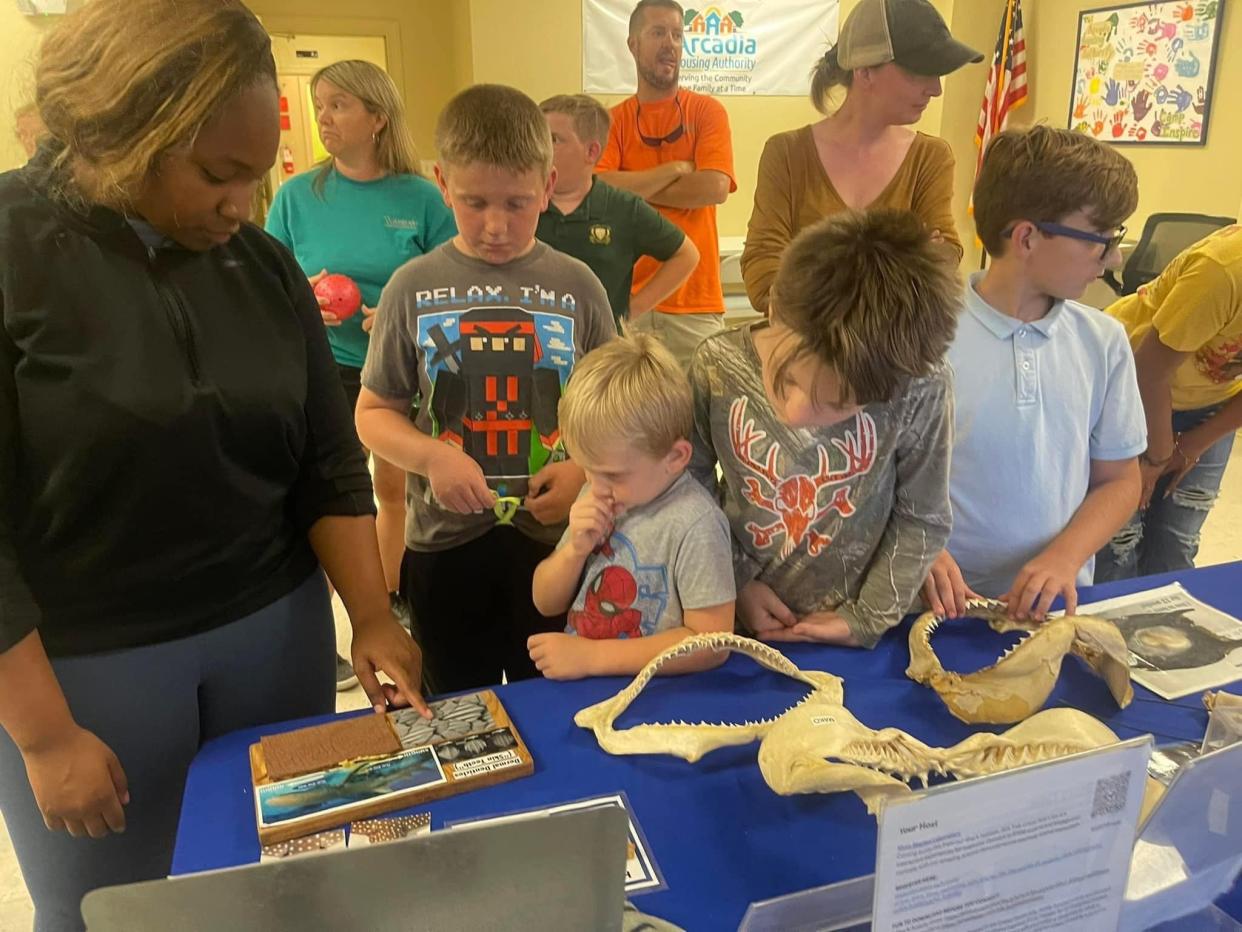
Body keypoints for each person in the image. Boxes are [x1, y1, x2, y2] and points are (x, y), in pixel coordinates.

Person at [0, 3, 427, 930]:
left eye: (256, 175)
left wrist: (371, 615)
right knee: (115, 910)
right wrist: (41, 736)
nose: (243, 205)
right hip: (89, 667)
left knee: (282, 890)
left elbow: (326, 462)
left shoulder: (262, 268)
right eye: (217, 176)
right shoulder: (13, 251)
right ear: (123, 132)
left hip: (271, 634)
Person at [357, 84, 617, 694]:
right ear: (442, 183)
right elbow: (372, 413)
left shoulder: (577, 285)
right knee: (457, 704)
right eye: (474, 202)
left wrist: (581, 468)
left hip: (557, 547)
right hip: (444, 550)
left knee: (558, 701)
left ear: (549, 187)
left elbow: (618, 413)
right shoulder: (410, 287)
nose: (495, 225)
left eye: (517, 203)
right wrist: (431, 456)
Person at [266, 59, 456, 688]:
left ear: (378, 117)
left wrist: (397, 315)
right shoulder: (297, 195)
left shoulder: (422, 196)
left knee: (394, 490)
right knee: (328, 495)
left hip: (406, 369)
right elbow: (269, 279)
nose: (324, 116)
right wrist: (307, 292)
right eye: (320, 104)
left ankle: (391, 598)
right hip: (324, 368)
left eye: (340, 104)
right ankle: (338, 625)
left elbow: (452, 282)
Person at [689, 208, 959, 648]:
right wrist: (733, 584)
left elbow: (922, 517)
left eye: (838, 404)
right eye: (787, 379)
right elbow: (689, 490)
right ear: (775, 308)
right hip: (736, 622)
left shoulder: (920, 387)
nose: (794, 413)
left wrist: (867, 618)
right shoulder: (715, 366)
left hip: (855, 630)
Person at [922, 126, 1144, 621]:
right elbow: (872, 475)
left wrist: (1063, 558)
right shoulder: (921, 333)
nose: (1114, 259)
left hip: (1050, 609)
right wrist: (919, 552)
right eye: (1101, 241)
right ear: (1026, 237)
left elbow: (1120, 480)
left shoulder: (1104, 342)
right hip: (929, 608)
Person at [741, 0, 978, 315]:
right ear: (865, 71)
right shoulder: (786, 154)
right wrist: (900, 266)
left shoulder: (930, 158)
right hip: (805, 351)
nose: (935, 90)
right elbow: (763, 266)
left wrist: (816, 283)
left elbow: (943, 258)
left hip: (897, 357)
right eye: (919, 73)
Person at [529, 335, 734, 679]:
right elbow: (544, 601)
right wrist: (574, 552)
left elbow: (711, 643)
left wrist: (592, 657)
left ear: (676, 458)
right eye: (587, 469)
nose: (595, 485)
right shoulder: (598, 494)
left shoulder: (696, 524)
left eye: (611, 474)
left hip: (656, 703)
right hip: (591, 690)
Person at [1095, 224, 1242, 581]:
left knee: (1178, 539)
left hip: (1211, 402)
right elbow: (1149, 372)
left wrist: (1194, 444)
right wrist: (1156, 456)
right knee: (1119, 539)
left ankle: (1164, 626)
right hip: (1126, 385)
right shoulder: (1222, 271)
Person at [596, 0, 736, 365]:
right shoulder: (613, 122)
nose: (670, 43)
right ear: (632, 44)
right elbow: (600, 190)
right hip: (629, 304)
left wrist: (633, 191)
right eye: (658, 33)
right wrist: (674, 169)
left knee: (699, 420)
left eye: (677, 34)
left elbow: (714, 188)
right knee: (628, 421)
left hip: (697, 304)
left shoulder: (707, 112)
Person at [537, 94, 699, 330]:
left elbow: (686, 255)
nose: (542, 149)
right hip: (535, 347)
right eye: (539, 138)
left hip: (602, 352)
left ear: (591, 152)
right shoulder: (523, 204)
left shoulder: (622, 208)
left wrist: (630, 311)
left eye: (554, 139)